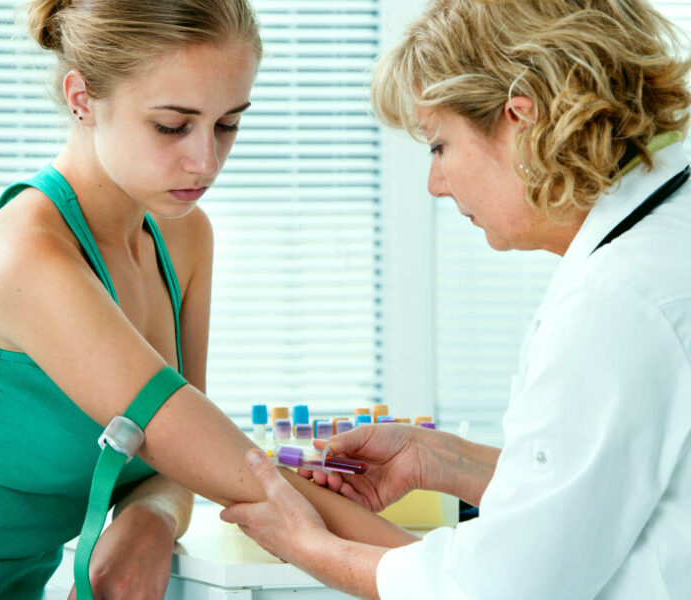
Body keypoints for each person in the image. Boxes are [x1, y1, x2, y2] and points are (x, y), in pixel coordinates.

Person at [0, 1, 417, 598]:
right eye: (172, 126)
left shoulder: (185, 235)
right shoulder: (26, 259)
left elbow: (182, 461)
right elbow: (239, 474)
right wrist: (461, 576)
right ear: (82, 98)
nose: (206, 161)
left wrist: (154, 516)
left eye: (228, 124)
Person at [220, 1, 691, 598]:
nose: (435, 184)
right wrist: (439, 458)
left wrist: (311, 548)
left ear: (522, 119)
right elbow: (609, 493)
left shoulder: (618, 300)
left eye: (439, 146)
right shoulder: (665, 239)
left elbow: (504, 587)